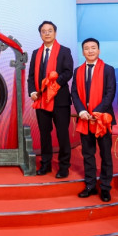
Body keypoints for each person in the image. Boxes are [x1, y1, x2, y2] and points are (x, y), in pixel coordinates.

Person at [71, 38, 116, 202]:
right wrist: (82, 111)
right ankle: (90, 185)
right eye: (86, 48)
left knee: (105, 155)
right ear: (83, 52)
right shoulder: (78, 71)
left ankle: (105, 187)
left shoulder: (108, 69)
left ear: (99, 50)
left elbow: (110, 93)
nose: (90, 51)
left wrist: (97, 111)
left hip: (102, 119)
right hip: (85, 118)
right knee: (88, 154)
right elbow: (74, 93)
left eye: (93, 48)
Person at [27, 21, 74, 178]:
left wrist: (53, 85)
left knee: (62, 134)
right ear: (40, 34)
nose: (47, 33)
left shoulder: (64, 51)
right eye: (44, 31)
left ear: (55, 33)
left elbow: (68, 72)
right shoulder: (36, 53)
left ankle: (64, 167)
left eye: (50, 30)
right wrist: (32, 91)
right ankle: (45, 164)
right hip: (41, 100)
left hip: (60, 101)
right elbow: (31, 76)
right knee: (44, 134)